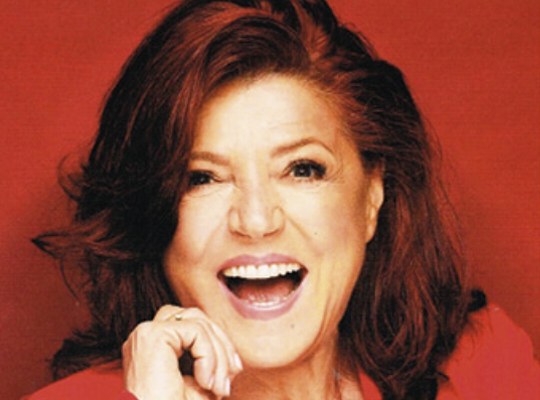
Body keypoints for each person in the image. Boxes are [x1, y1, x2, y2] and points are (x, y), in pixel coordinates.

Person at [28, 0, 539, 399]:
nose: (256, 220)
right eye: (202, 178)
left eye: (302, 169)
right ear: (151, 213)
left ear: (371, 197)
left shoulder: (485, 369)